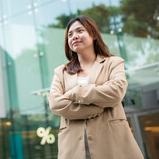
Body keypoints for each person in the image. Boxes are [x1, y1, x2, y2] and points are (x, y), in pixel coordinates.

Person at [48, 15, 144, 159]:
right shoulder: (61, 72)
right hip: (73, 148)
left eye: (80, 31)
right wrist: (98, 105)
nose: (74, 36)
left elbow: (116, 93)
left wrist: (76, 92)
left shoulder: (113, 63)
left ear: (93, 34)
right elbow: (55, 103)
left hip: (112, 144)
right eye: (70, 34)